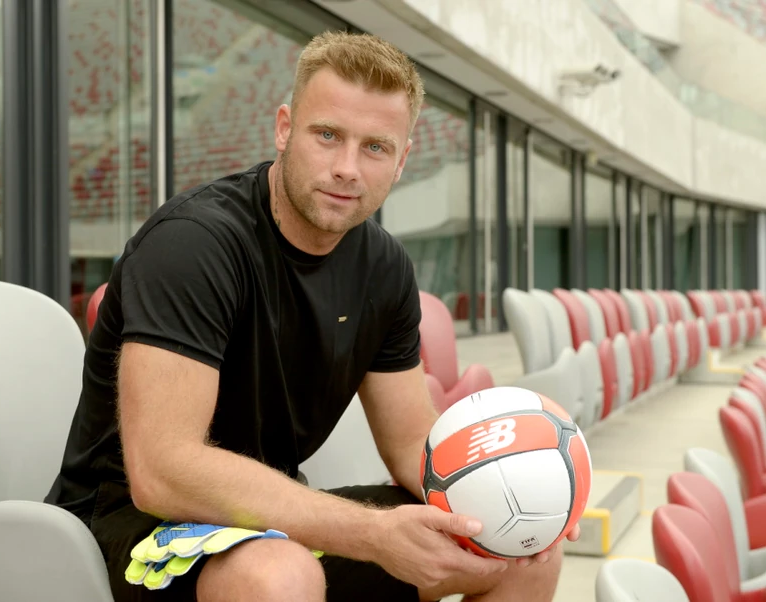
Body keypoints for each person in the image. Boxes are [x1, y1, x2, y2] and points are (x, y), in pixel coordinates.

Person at [45, 30, 578, 602]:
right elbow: (163, 473)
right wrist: (371, 534)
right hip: (127, 526)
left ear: (401, 160)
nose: (347, 168)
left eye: (375, 147)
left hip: (265, 522)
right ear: (284, 129)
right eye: (327, 135)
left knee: (515, 555)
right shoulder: (194, 244)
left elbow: (411, 444)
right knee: (279, 574)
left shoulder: (384, 267)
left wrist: (520, 498)